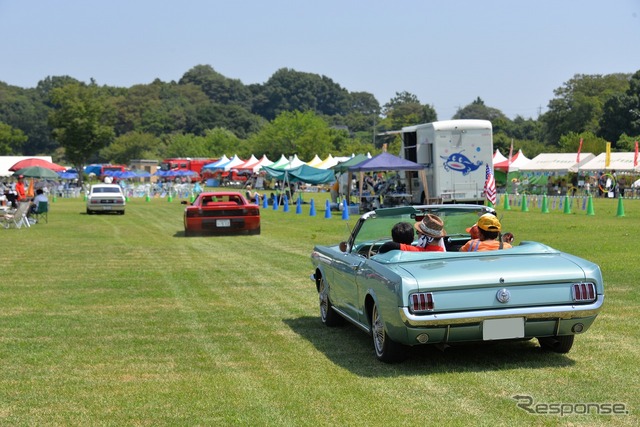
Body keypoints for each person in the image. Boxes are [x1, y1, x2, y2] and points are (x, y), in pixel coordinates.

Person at [378, 214, 446, 254]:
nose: (418, 235)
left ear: (425, 237)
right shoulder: (443, 253)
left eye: (418, 232)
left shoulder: (419, 252)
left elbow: (389, 245)